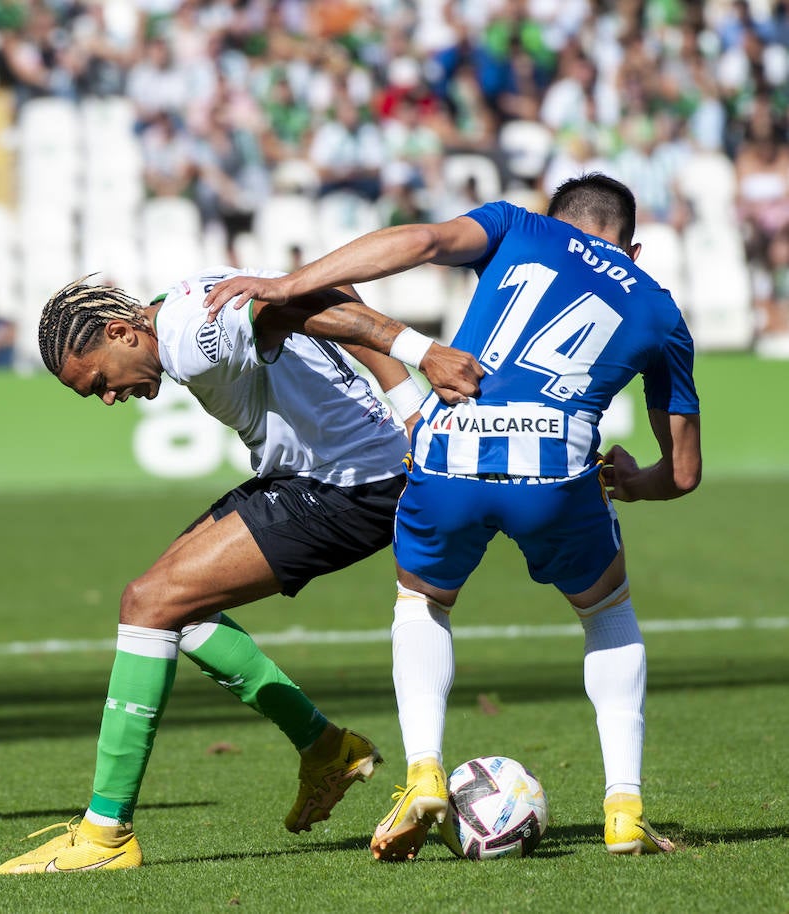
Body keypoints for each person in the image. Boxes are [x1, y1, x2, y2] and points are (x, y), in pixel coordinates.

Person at [204, 172, 701, 860]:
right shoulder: (661, 309)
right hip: (553, 462)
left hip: (451, 441)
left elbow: (421, 240)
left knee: (423, 604)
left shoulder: (520, 227)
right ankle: (623, 807)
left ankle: (424, 773)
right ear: (633, 248)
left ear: (555, 218)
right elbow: (682, 472)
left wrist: (289, 284)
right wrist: (632, 483)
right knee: (607, 612)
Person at [0, 269, 483, 874]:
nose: (109, 399)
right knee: (175, 608)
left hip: (350, 487)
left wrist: (417, 361)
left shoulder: (184, 340)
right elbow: (320, 291)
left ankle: (106, 835)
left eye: (98, 383)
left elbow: (296, 304)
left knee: (150, 605)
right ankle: (326, 749)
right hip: (314, 473)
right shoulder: (181, 298)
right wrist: (405, 401)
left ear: (120, 333)